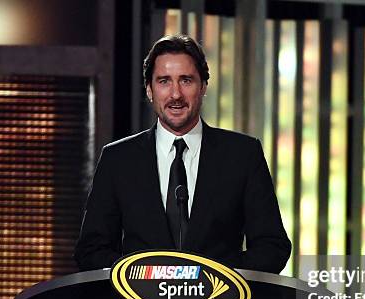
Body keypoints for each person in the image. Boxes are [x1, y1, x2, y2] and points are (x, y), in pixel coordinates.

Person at [74, 34, 291, 274]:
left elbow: (273, 247)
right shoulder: (118, 159)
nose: (175, 94)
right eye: (164, 81)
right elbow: (91, 250)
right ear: (149, 89)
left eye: (186, 80)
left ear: (203, 87)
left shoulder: (243, 155)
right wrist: (145, 279)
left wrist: (211, 280)